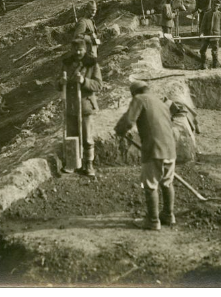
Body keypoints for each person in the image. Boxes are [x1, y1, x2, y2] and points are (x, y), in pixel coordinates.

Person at [113, 80, 177, 230]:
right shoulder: (161, 103)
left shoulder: (139, 99)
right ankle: (168, 215)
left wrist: (120, 130)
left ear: (134, 93)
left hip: (154, 149)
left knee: (150, 184)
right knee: (167, 182)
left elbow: (129, 120)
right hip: (170, 148)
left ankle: (153, 221)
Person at [60, 38, 103, 176]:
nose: (78, 52)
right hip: (71, 105)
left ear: (85, 50)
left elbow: (98, 85)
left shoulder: (92, 64)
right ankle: (72, 163)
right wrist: (61, 82)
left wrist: (84, 81)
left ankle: (88, 164)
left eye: (81, 50)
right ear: (71, 50)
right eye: (75, 50)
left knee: (87, 137)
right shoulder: (67, 63)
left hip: (85, 105)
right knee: (72, 135)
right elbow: (56, 82)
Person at [198, 4, 221, 69]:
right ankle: (203, 65)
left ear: (219, 7)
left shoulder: (220, 15)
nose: (215, 7)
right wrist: (201, 33)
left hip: (215, 35)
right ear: (212, 6)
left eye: (217, 6)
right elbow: (203, 25)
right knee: (202, 50)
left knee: (214, 51)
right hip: (207, 35)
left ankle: (215, 65)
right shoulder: (207, 14)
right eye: (214, 5)